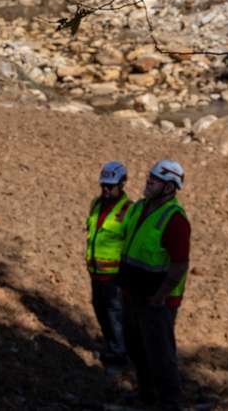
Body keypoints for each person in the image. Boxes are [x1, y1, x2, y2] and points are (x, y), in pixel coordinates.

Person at [116, 159, 191, 411]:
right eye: (149, 176)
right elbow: (129, 248)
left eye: (155, 179)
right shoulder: (139, 208)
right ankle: (147, 395)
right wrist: (122, 286)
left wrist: (160, 297)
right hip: (132, 295)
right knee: (137, 350)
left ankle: (169, 403)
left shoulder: (175, 220)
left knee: (160, 356)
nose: (148, 181)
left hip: (156, 302)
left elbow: (180, 264)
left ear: (170, 188)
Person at [85, 161, 133, 376]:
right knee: (100, 310)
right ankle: (112, 347)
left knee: (115, 315)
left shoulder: (128, 210)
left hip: (114, 277)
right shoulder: (95, 204)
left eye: (110, 185)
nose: (106, 189)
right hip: (96, 273)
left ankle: (118, 355)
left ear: (122, 184)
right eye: (103, 184)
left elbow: (130, 246)